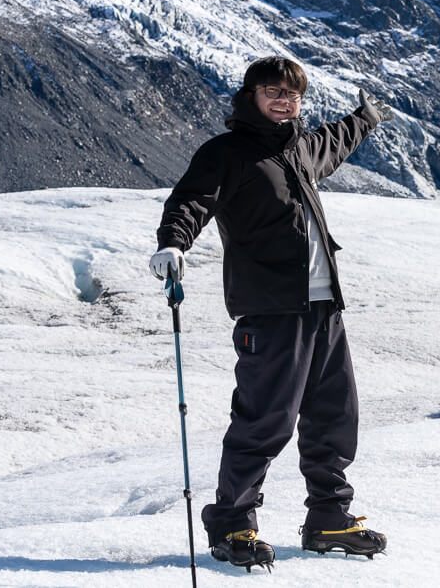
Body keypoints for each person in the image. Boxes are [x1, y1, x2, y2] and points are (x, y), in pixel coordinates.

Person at [149, 56, 394, 569]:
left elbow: (335, 141)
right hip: (270, 311)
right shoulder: (228, 153)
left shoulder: (300, 147)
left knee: (334, 417)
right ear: (251, 95)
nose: (285, 101)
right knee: (265, 422)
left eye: (293, 94)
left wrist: (364, 119)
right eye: (273, 92)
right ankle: (233, 524)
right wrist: (174, 243)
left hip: (324, 306)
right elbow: (192, 201)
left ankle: (329, 517)